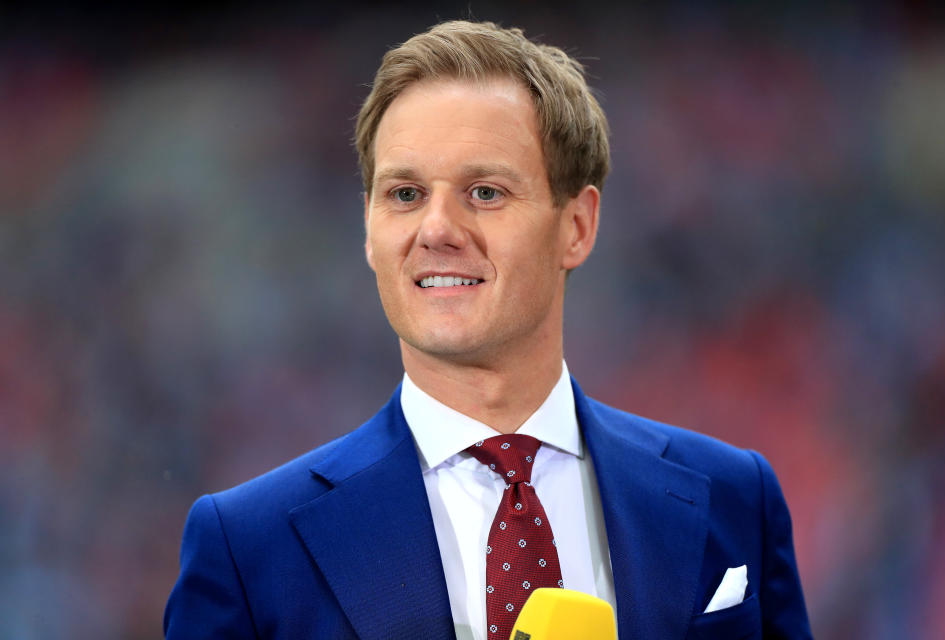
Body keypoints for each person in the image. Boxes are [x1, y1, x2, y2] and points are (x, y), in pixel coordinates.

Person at [164, 20, 811, 639]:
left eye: (485, 192)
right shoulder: (248, 546)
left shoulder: (733, 498)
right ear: (369, 228)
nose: (437, 229)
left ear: (577, 226)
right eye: (405, 194)